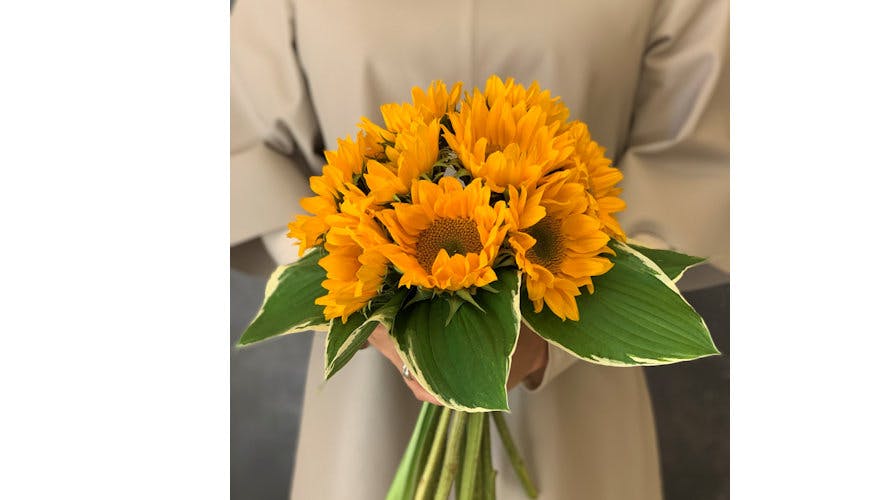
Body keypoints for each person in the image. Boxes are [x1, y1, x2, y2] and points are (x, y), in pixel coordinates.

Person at [230, 0, 729, 498]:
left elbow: (700, 157)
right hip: (369, 379)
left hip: (577, 343)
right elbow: (242, 140)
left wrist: (547, 342)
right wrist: (364, 287)